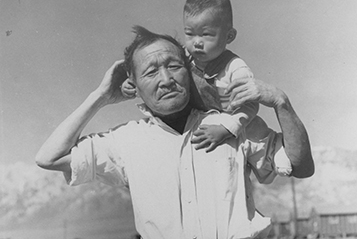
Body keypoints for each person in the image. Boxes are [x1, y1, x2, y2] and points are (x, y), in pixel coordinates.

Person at [35, 26, 314, 239]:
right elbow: (49, 158)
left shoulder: (232, 124)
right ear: (134, 85)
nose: (166, 80)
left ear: (188, 71)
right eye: (151, 72)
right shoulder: (126, 142)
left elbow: (300, 166)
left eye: (173, 66)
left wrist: (281, 102)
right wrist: (101, 95)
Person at [123, 0, 258, 153]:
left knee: (261, 140)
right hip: (196, 123)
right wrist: (129, 84)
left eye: (206, 34)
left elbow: (250, 107)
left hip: (233, 122)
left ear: (229, 36)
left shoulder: (236, 68)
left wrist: (226, 129)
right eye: (190, 34)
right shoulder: (186, 56)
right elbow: (150, 63)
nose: (197, 42)